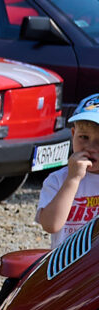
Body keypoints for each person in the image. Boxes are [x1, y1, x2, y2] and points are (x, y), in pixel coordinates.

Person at [35, 93, 99, 246]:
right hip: (68, 261)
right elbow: (51, 225)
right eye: (84, 137)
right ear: (73, 134)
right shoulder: (58, 179)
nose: (90, 147)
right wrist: (73, 179)